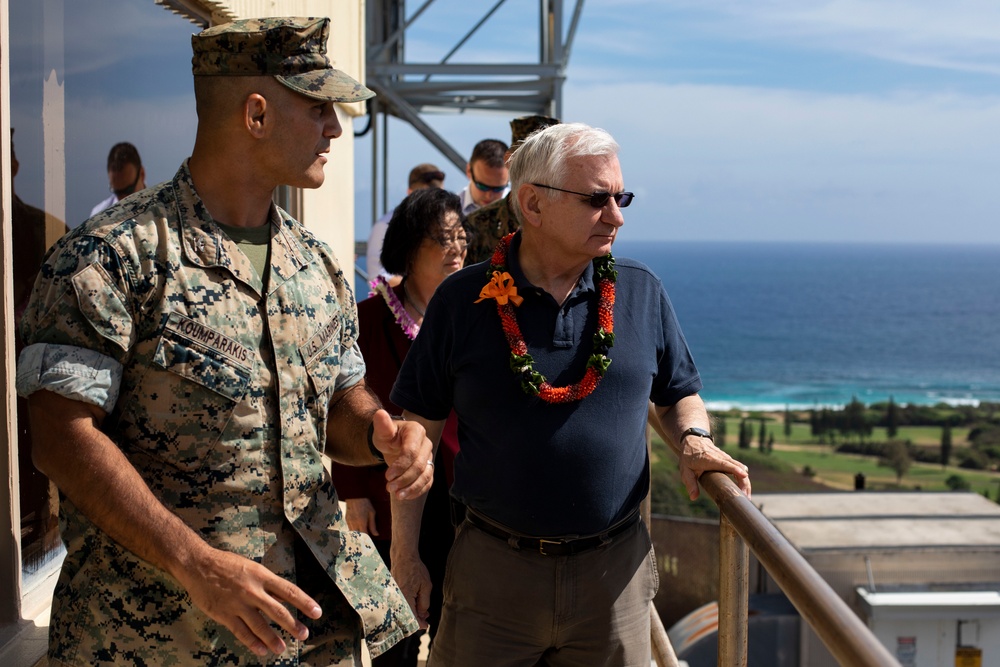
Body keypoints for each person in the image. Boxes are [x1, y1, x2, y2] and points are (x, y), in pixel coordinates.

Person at [16, 17, 433, 666]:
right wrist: (197, 564)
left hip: (307, 625)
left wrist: (381, 433)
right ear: (257, 114)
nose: (335, 128)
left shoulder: (316, 266)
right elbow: (60, 436)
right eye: (319, 107)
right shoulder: (115, 255)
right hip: (157, 640)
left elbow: (338, 405)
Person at [388, 123, 752, 665]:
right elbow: (418, 430)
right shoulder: (462, 300)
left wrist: (695, 438)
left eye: (620, 198)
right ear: (532, 204)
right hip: (493, 578)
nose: (617, 215)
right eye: (596, 200)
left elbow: (679, 393)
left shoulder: (641, 290)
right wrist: (406, 554)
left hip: (614, 581)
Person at [333, 188, 467, 666]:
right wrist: (353, 491)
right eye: (442, 238)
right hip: (388, 496)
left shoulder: (470, 316)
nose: (457, 248)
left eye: (460, 236)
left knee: (457, 633)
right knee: (394, 636)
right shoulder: (367, 318)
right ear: (410, 249)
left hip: (458, 498)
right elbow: (341, 399)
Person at [465, 114, 560, 264]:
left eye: (551, 162)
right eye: (531, 161)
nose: (540, 170)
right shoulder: (476, 225)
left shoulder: (569, 223)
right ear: (509, 161)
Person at [366, 163, 446, 283]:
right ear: (410, 193)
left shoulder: (448, 224)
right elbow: (377, 279)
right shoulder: (385, 226)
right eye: (424, 198)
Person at [89, 141, 147, 216]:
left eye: (129, 190)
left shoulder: (162, 209)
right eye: (118, 192)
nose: (124, 200)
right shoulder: (98, 215)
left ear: (142, 174)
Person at [457, 138, 508, 216]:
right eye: (482, 186)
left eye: (498, 189)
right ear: (469, 171)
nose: (489, 195)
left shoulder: (522, 210)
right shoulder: (450, 212)